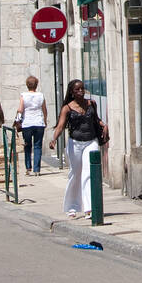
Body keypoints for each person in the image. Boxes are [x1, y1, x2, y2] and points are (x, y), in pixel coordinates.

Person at [49, 79, 109, 218]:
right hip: (75, 143)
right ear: (72, 92)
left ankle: (89, 208)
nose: (81, 91)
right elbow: (60, 126)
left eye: (82, 89)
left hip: (91, 141)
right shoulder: (67, 108)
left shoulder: (91, 103)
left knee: (89, 173)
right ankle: (72, 206)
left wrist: (104, 125)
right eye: (77, 89)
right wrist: (54, 139)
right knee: (75, 174)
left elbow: (96, 120)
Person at [15, 75, 47, 176]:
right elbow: (44, 109)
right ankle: (37, 169)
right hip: (39, 123)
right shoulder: (41, 95)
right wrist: (45, 120)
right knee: (38, 146)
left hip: (27, 124)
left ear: (27, 85)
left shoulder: (23, 95)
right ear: (36, 85)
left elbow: (20, 109)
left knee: (27, 146)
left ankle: (28, 168)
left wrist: (17, 120)